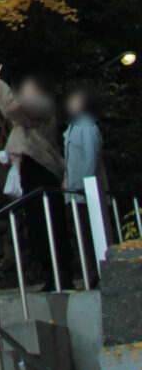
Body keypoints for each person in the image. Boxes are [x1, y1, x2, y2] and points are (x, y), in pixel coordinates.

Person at [0, 67, 71, 291]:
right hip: (30, 167)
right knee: (36, 223)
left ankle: (60, 274)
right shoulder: (36, 109)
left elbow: (14, 109)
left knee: (48, 221)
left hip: (42, 167)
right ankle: (50, 273)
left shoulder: (42, 105)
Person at [64, 85, 109, 285]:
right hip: (76, 192)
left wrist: (86, 184)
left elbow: (91, 157)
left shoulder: (87, 126)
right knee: (82, 236)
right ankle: (90, 273)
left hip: (87, 193)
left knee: (91, 235)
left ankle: (97, 275)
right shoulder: (74, 127)